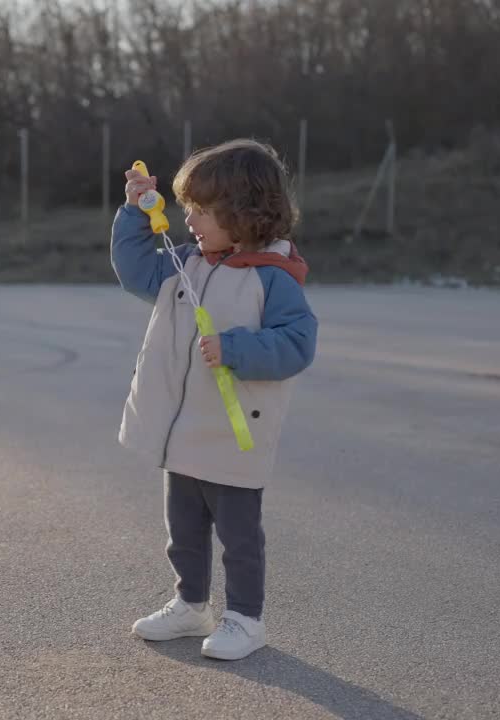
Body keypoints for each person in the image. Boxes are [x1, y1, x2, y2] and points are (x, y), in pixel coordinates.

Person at [111, 139, 318, 660]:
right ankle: (191, 603)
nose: (190, 222)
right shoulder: (184, 264)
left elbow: (298, 343)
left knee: (238, 537)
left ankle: (245, 619)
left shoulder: (273, 278)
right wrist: (137, 215)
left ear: (244, 213)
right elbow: (135, 270)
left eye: (202, 211)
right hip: (182, 430)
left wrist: (238, 349)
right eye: (187, 210)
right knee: (182, 529)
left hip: (233, 431)